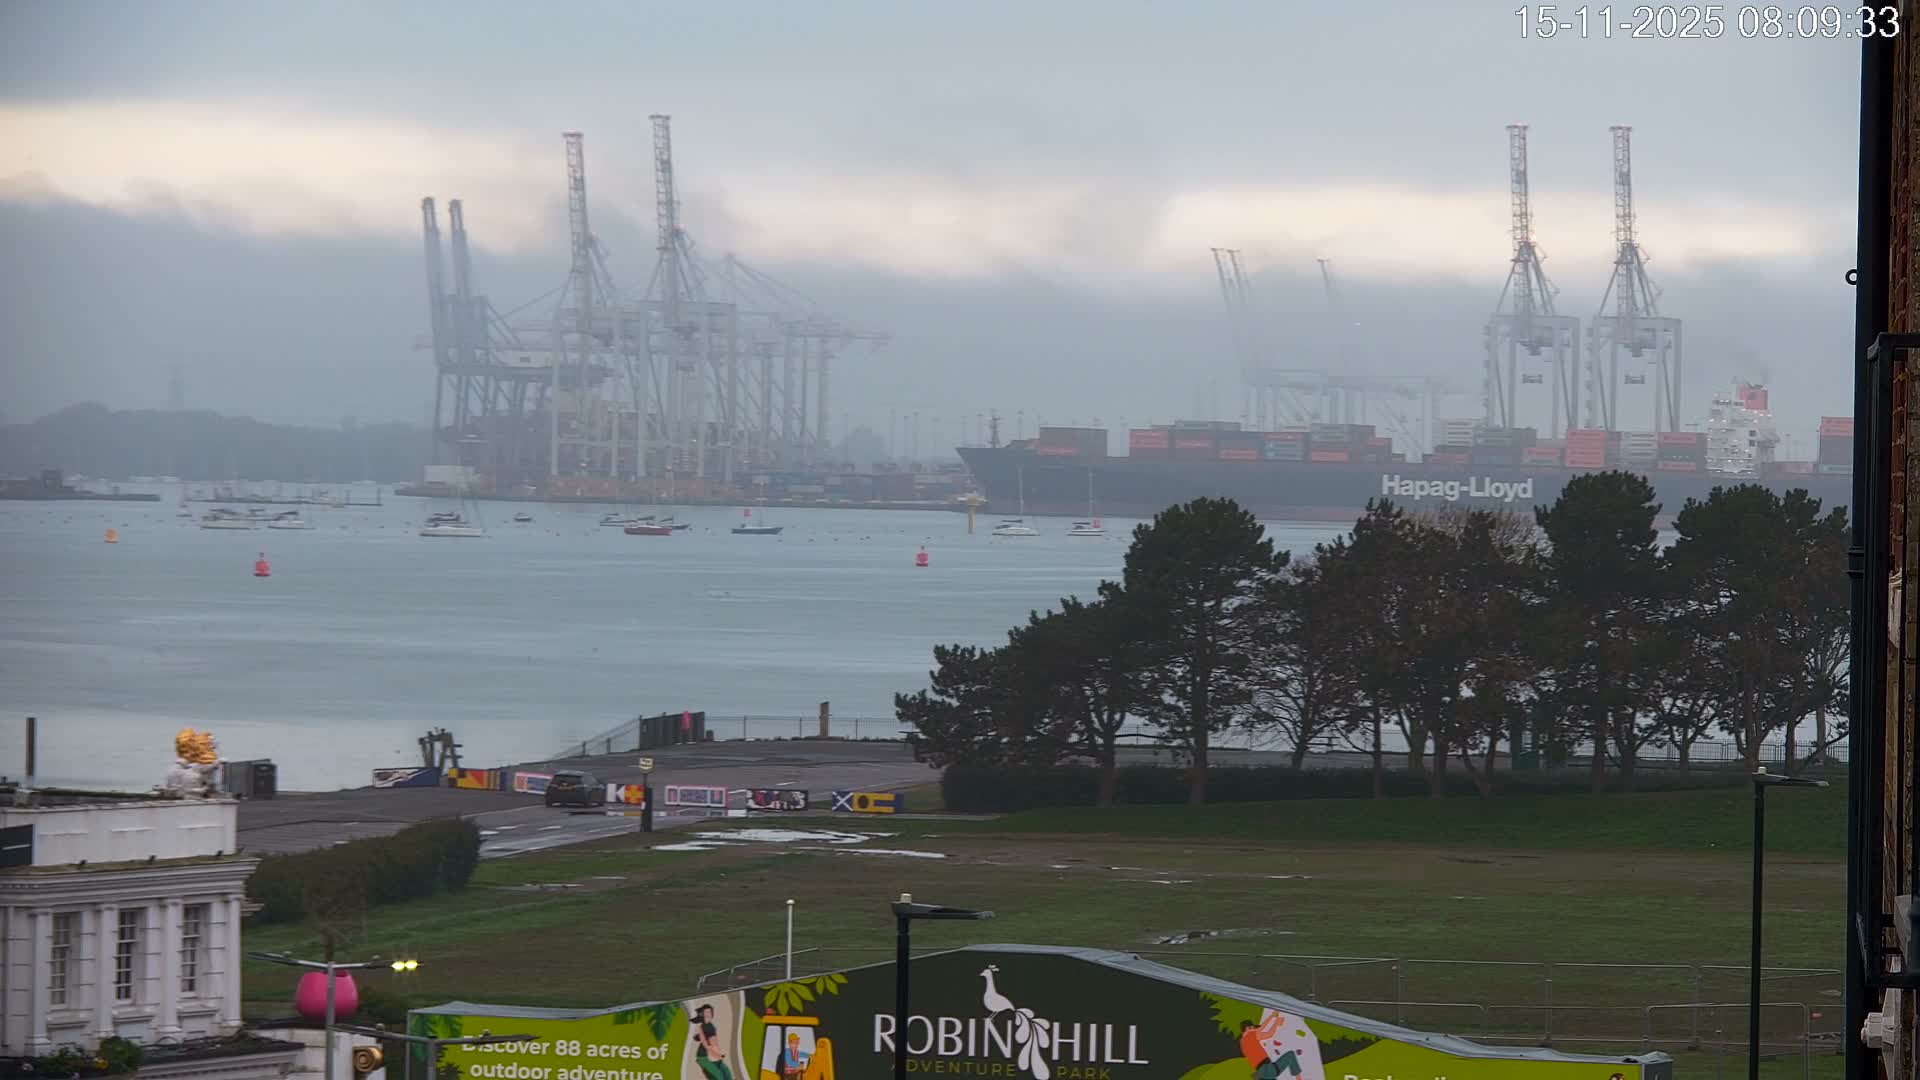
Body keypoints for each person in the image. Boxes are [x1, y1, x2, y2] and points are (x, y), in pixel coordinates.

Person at [692, 1004, 733, 1080]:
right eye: (706, 1012)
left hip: (712, 1054)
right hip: (704, 1056)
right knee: (719, 1076)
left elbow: (711, 1042)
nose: (709, 1014)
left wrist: (717, 1054)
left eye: (710, 1012)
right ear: (703, 1014)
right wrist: (717, 1054)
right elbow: (707, 1045)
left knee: (726, 1072)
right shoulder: (704, 1027)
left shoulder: (709, 1025)